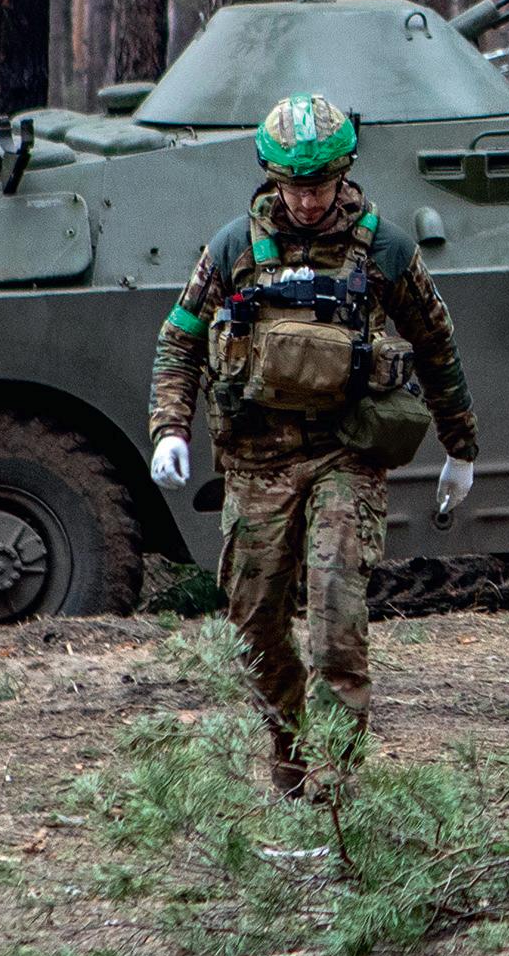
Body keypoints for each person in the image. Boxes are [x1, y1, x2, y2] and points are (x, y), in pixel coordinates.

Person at [147, 92, 480, 791]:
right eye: (292, 186)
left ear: (343, 173)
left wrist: (461, 447)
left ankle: (336, 787)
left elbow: (436, 345)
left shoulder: (386, 250)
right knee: (253, 625)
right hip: (257, 460)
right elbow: (180, 340)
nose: (305, 201)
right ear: (271, 177)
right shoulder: (233, 248)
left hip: (344, 453)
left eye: (319, 185)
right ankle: (292, 759)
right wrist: (170, 428)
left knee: (336, 615)